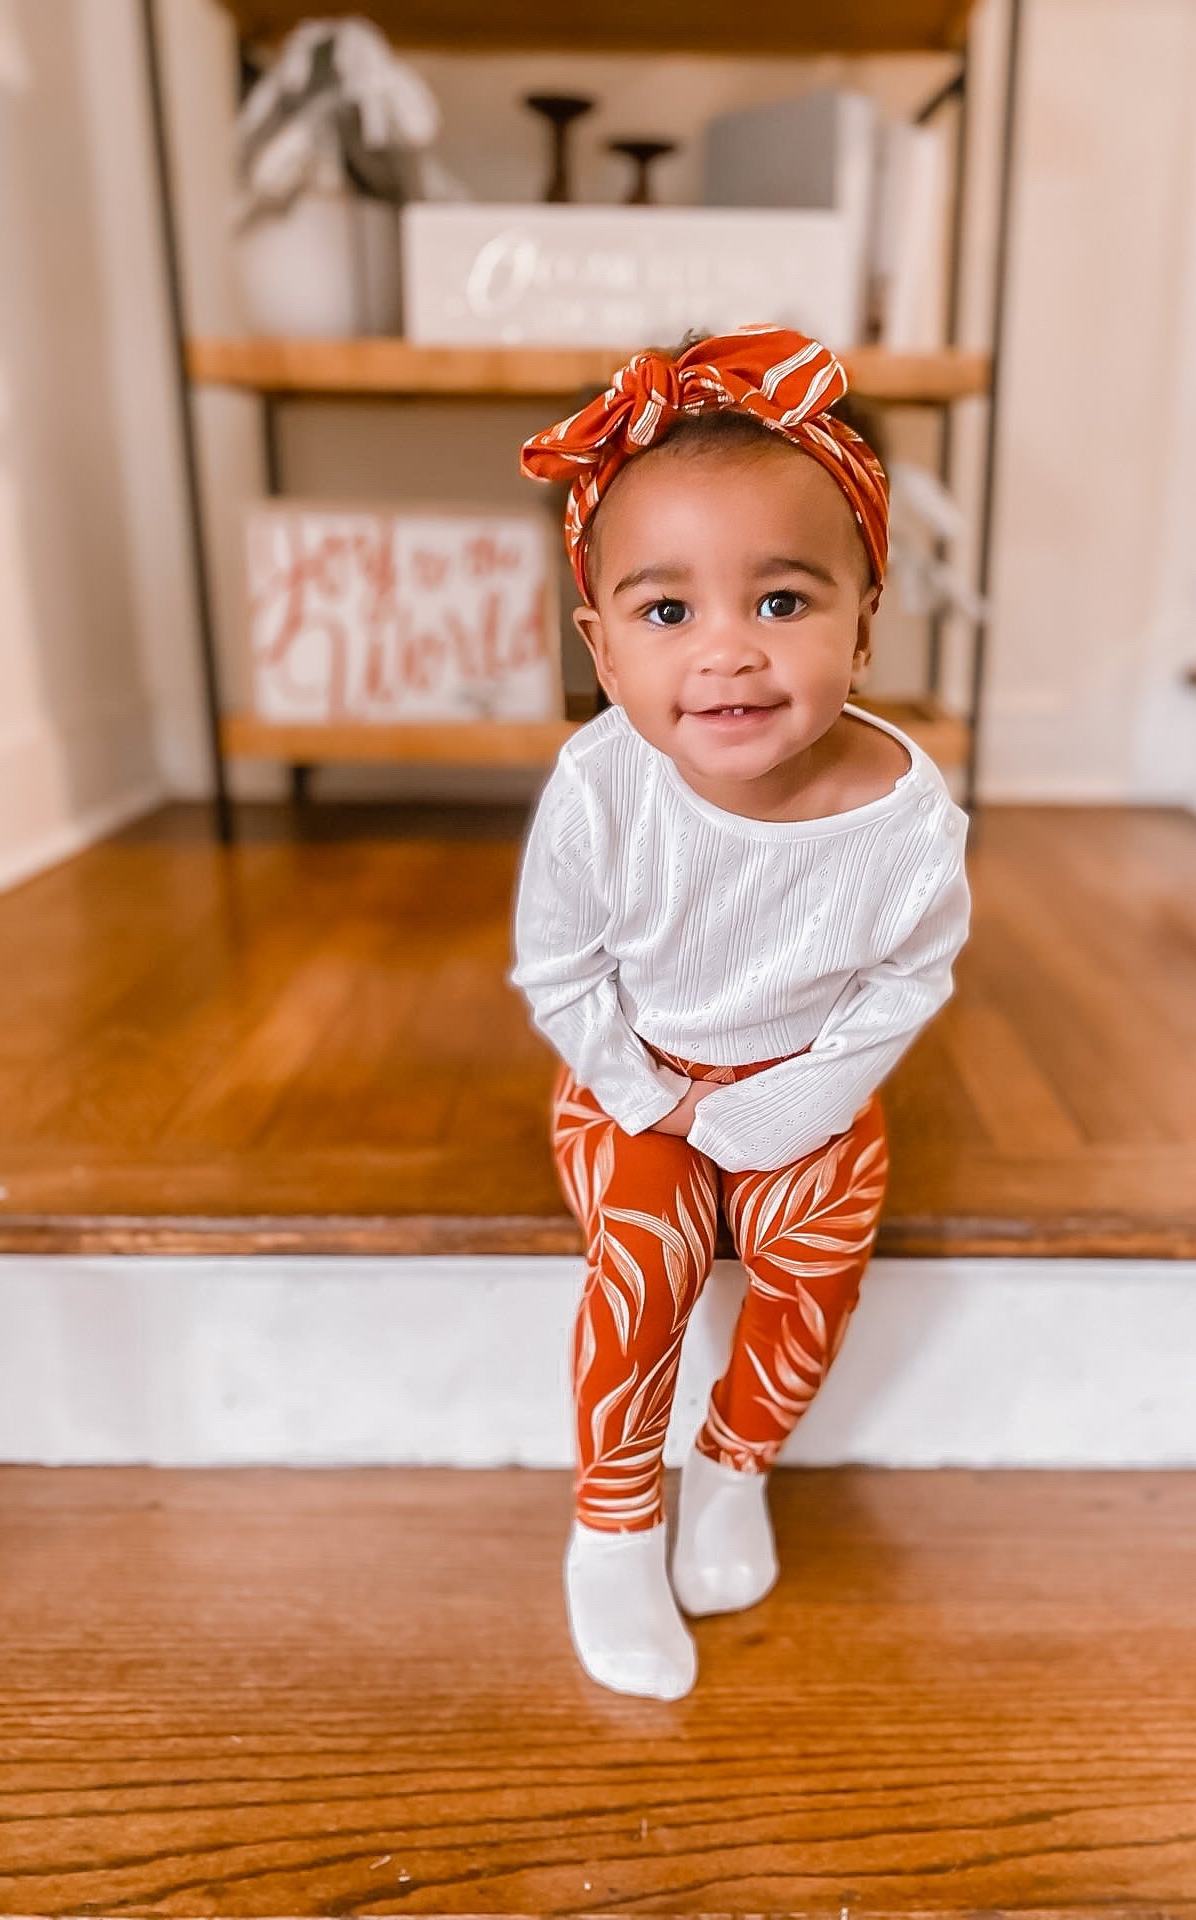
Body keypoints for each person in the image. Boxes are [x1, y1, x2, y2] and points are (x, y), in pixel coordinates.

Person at [509, 324, 972, 1701]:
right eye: (668, 614)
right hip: (635, 1070)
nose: (729, 656)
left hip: (808, 1076)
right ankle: (613, 1522)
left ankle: (729, 1471)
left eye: (782, 604)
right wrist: (656, 1100)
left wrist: (804, 1097)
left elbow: (910, 975)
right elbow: (560, 973)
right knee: (645, 1267)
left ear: (865, 619)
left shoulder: (906, 815)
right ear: (599, 645)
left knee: (817, 1269)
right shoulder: (603, 790)